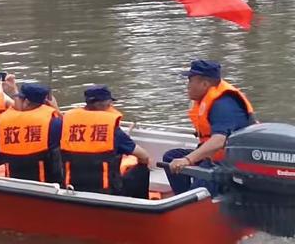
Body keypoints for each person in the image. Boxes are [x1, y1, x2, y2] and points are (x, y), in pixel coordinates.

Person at [163, 60, 256, 195]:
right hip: (214, 157)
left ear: (204, 84)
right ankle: (182, 199)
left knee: (197, 187)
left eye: (190, 81)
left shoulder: (223, 104)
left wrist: (187, 159)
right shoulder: (206, 100)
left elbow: (219, 141)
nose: (187, 86)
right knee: (171, 157)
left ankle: (191, 206)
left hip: (230, 164)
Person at [60, 85, 151, 197]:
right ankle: (139, 207)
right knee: (142, 169)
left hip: (72, 187)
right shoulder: (112, 130)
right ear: (100, 104)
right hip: (107, 192)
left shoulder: (66, 124)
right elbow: (144, 156)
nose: (111, 105)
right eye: (109, 102)